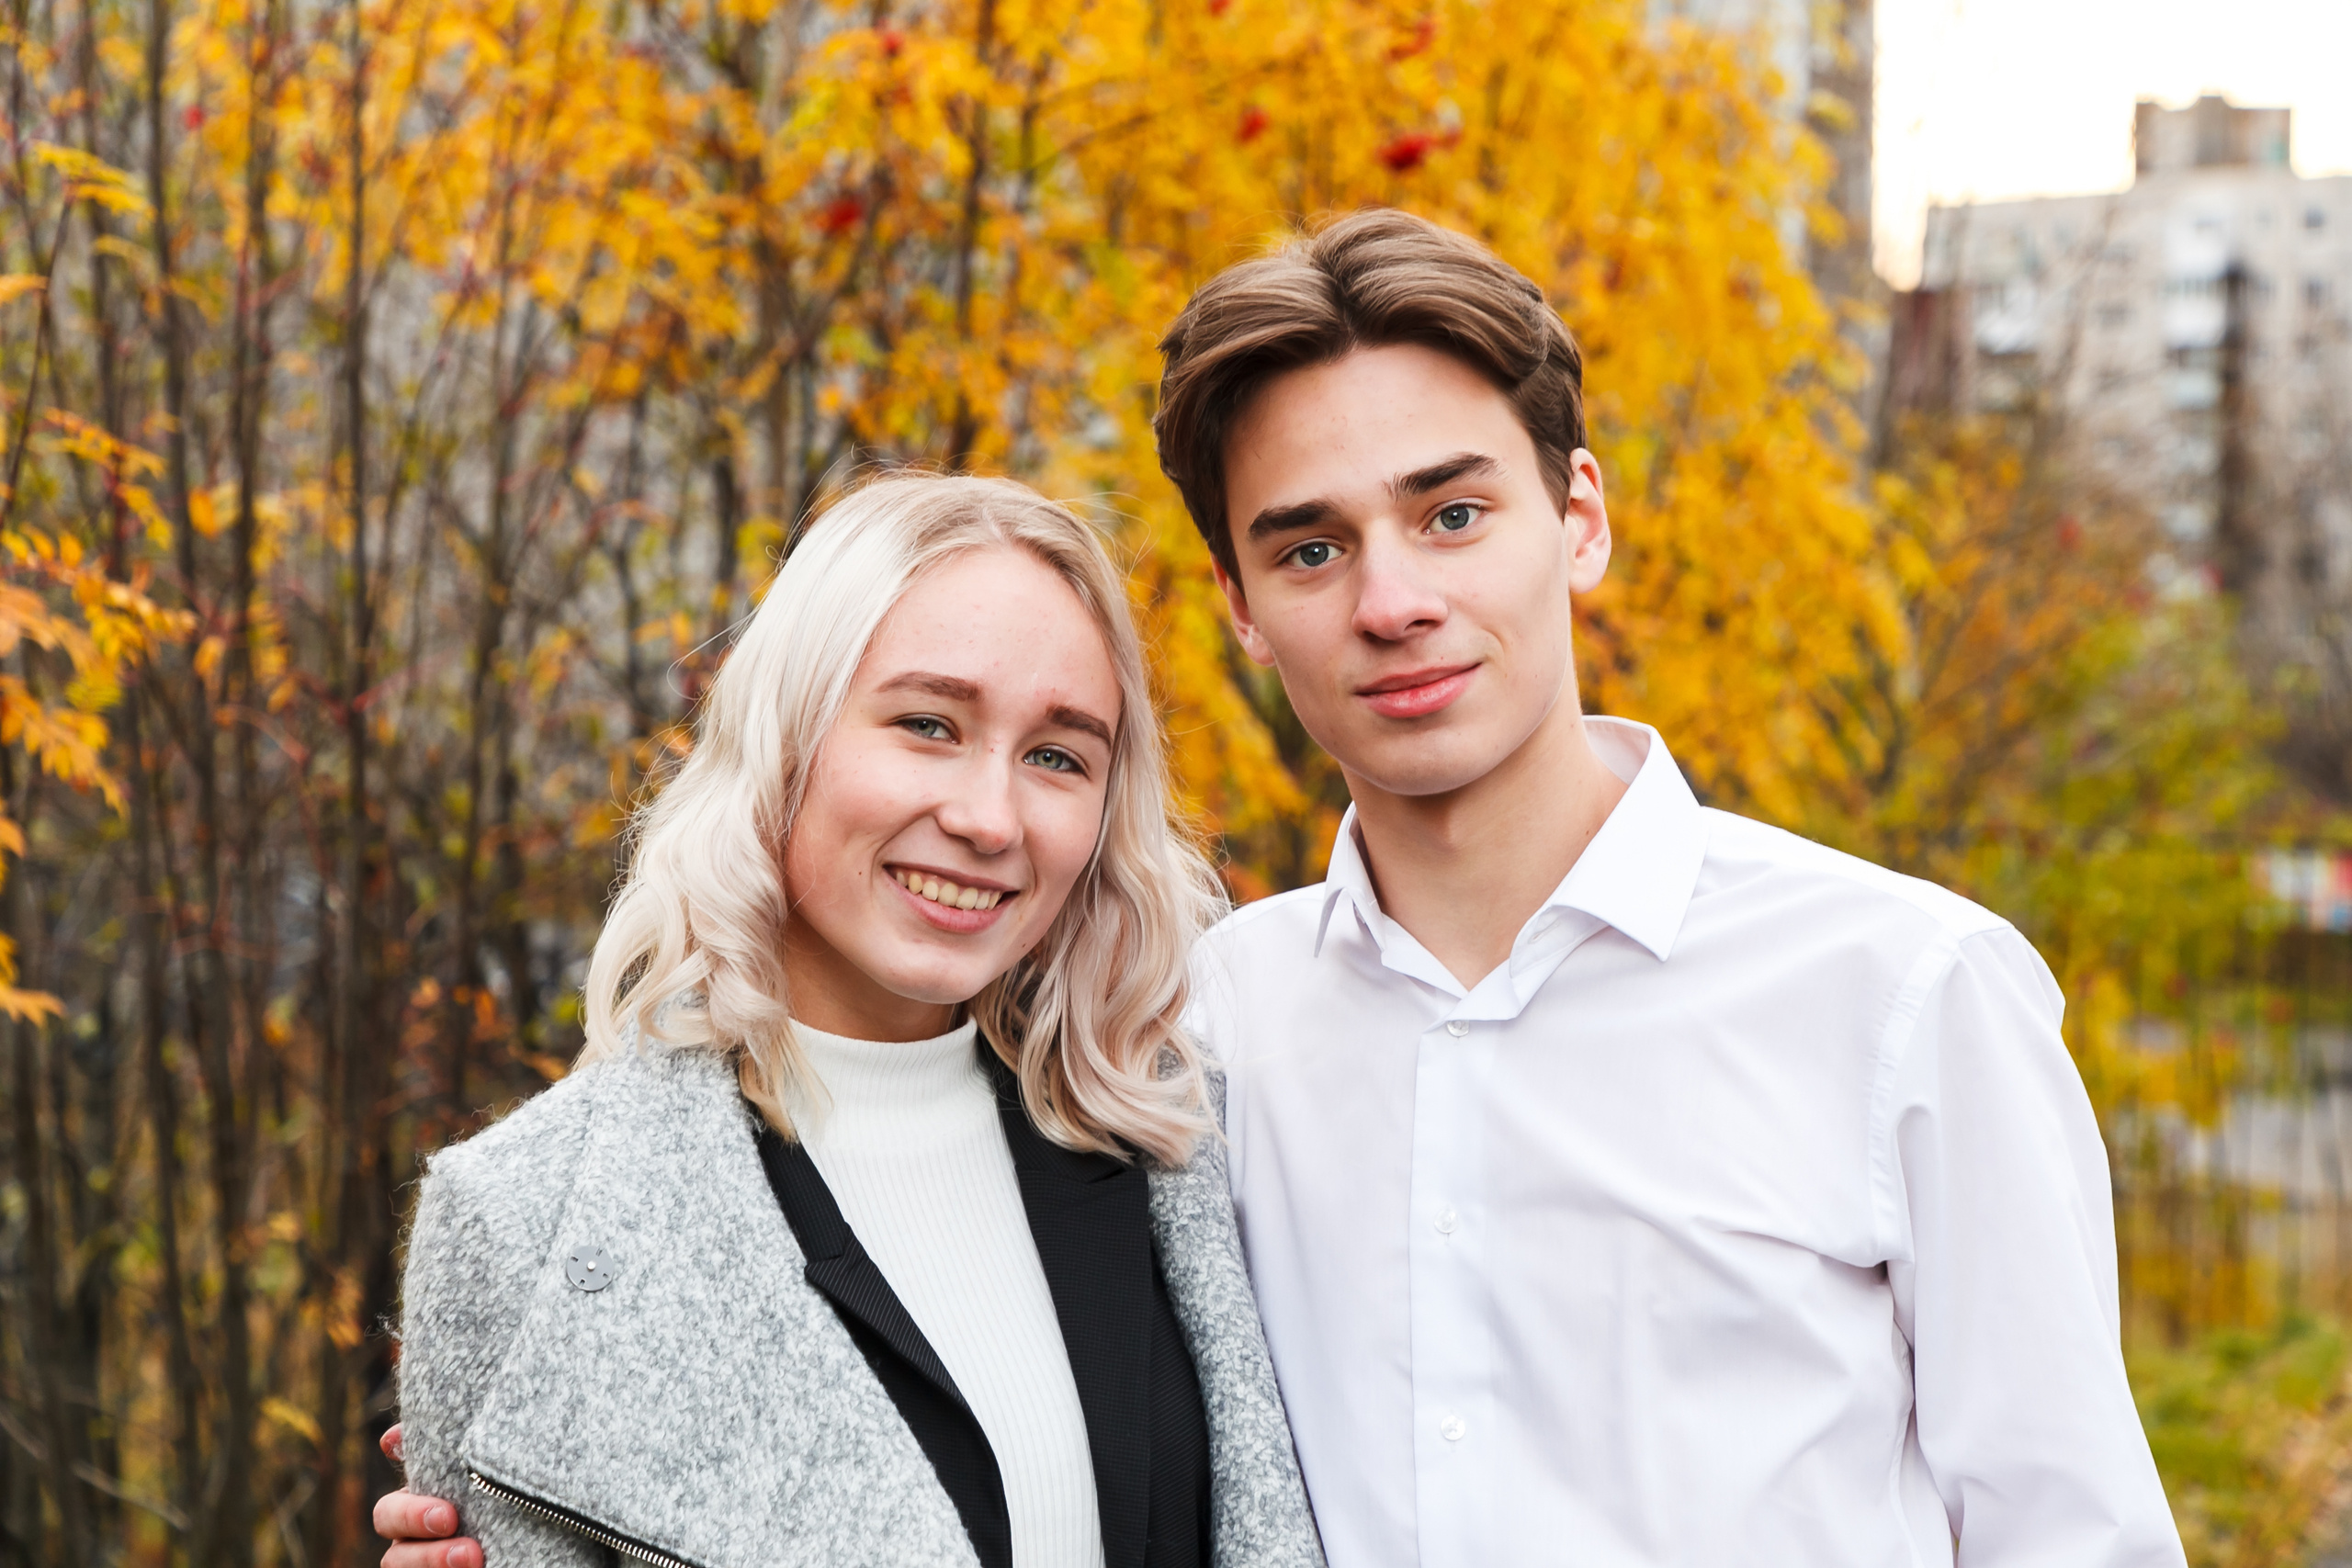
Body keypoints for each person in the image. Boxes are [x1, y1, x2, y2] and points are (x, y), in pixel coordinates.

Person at [383, 209, 2188, 1565]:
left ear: (1578, 514)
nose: (1387, 595)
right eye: (1308, 544)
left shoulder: (1900, 988)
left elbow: (2068, 1528)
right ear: (1241, 611)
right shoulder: (1187, 1040)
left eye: (1451, 511)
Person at [381, 472, 1323, 1568]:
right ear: (788, 738)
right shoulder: (522, 1222)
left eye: (1057, 757)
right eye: (928, 725)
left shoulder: (1172, 1136)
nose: (987, 817)